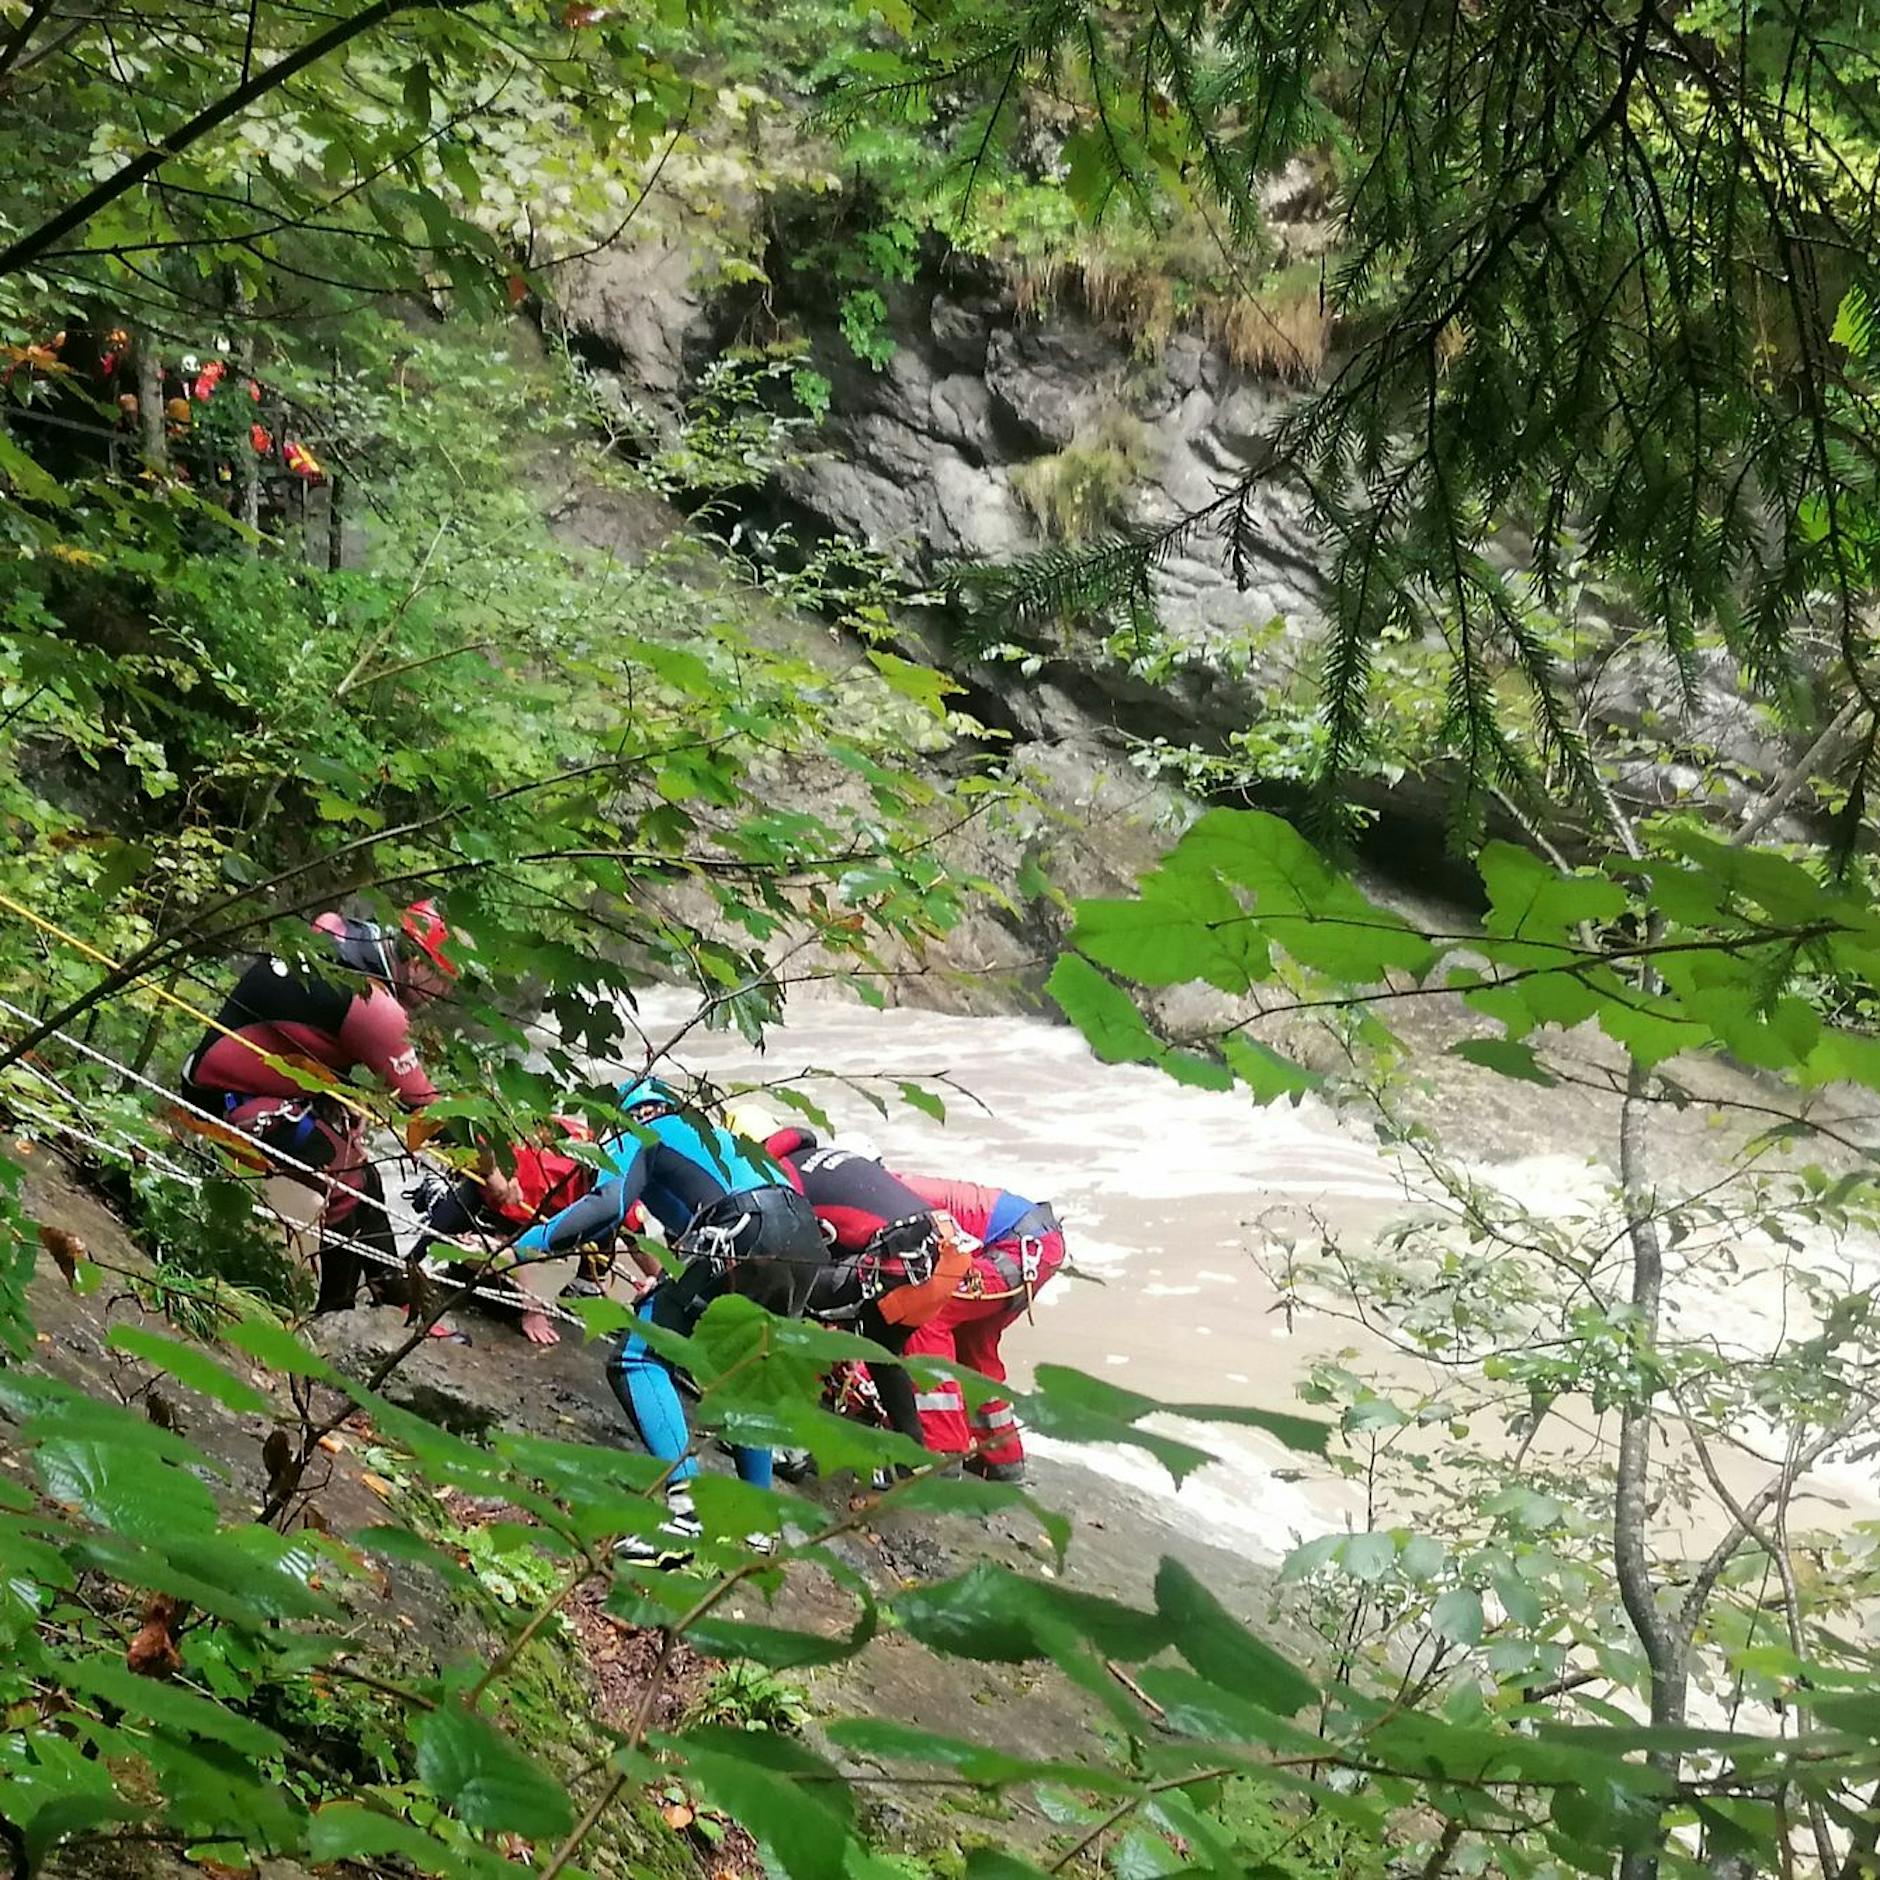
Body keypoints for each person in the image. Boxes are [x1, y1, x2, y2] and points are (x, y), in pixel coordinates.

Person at [511, 1078, 827, 1566]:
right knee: (742, 1372)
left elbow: (608, 1205)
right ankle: (759, 1526)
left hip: (743, 1229)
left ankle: (687, 1513)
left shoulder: (642, 1128)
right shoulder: (710, 1134)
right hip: (803, 1236)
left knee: (637, 1357)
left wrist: (521, 1247)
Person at [179, 903, 456, 1313]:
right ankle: (333, 1314)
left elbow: (301, 1027)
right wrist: (496, 1177)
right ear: (415, 962)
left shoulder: (332, 934)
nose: (444, 994)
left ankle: (394, 1295)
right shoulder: (375, 1008)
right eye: (444, 979)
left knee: (368, 1178)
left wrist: (336, 1093)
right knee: (347, 1181)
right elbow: (426, 1109)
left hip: (219, 1082)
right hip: (226, 1104)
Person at [762, 1127, 976, 1451]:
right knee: (881, 1349)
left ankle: (789, 1445)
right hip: (947, 1256)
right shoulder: (828, 1160)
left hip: (904, 1263)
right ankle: (910, 1452)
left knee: (783, 1298)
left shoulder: (780, 1179)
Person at [411, 1115, 657, 1345]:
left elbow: (637, 1241)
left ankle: (583, 1287)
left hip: (543, 1212)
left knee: (607, 1224)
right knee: (496, 1287)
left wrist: (661, 1283)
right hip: (492, 1196)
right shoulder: (547, 1165)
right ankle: (438, 1201)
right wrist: (532, 1309)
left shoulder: (618, 1185)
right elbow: (514, 1245)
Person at [893, 1168, 1066, 1482]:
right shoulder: (889, 1186)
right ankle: (1001, 1459)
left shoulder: (886, 1200)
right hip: (1036, 1244)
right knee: (972, 1340)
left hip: (1020, 1249)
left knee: (926, 1315)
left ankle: (940, 1453)